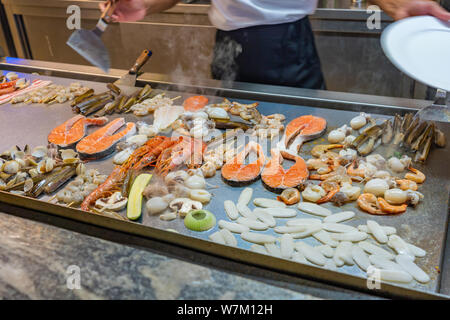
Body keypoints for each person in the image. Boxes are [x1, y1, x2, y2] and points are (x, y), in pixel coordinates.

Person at [100, 0, 450, 90]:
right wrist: (145, 4)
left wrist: (396, 5)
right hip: (228, 44)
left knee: (301, 138)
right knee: (227, 135)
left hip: (286, 42)